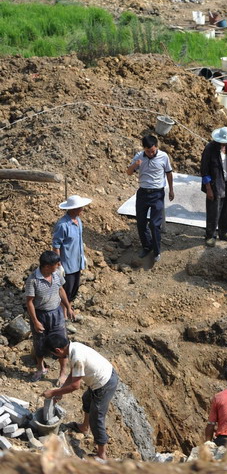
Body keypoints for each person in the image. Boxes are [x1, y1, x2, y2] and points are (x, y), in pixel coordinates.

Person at [43, 334, 118, 461]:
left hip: (104, 383)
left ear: (58, 350)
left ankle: (101, 454)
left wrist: (54, 392)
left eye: (54, 355)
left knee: (97, 418)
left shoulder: (77, 357)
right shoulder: (73, 347)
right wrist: (60, 392)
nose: (55, 357)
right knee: (87, 399)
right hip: (102, 377)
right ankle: (84, 427)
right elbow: (73, 374)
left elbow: (75, 386)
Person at [25, 251, 73, 384]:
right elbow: (29, 302)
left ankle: (62, 373)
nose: (59, 265)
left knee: (62, 343)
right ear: (46, 266)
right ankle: (41, 368)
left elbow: (61, 290)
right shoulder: (33, 280)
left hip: (56, 314)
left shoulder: (56, 274)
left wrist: (68, 307)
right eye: (56, 264)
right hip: (41, 315)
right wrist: (35, 321)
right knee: (39, 342)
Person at [127, 134, 174, 262]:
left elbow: (169, 173)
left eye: (152, 151)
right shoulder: (139, 156)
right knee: (141, 223)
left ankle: (157, 251)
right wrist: (135, 165)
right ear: (144, 149)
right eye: (147, 151)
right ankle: (146, 247)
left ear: (156, 147)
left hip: (157, 194)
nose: (150, 153)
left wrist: (171, 190)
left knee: (154, 224)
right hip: (143, 193)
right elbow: (128, 172)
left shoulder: (163, 156)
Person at [52, 194, 92, 316]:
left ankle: (69, 309)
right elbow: (56, 245)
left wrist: (82, 255)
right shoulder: (62, 225)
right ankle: (63, 314)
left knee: (74, 288)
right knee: (66, 290)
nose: (83, 209)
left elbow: (79, 240)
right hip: (67, 263)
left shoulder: (78, 221)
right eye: (80, 207)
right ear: (73, 209)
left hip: (77, 261)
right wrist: (59, 264)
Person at [200, 127, 227, 247]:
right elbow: (204, 170)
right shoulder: (210, 149)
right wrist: (208, 189)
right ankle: (210, 235)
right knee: (214, 211)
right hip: (215, 184)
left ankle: (224, 232)